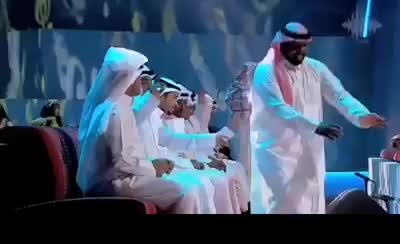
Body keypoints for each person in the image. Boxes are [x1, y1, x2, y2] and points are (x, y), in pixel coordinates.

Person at [251, 22, 386, 214]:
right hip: (276, 152)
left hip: (309, 150)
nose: (301, 51)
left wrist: (361, 115)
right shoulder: (265, 71)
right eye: (295, 46)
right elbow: (277, 108)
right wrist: (315, 126)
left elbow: (339, 95)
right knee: (282, 204)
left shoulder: (315, 68)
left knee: (311, 203)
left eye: (304, 46)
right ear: (282, 45)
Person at [76, 47, 203, 214]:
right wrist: (153, 167)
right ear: (127, 79)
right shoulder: (116, 111)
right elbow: (122, 162)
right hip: (112, 183)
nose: (142, 83)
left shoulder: (115, 107)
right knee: (186, 192)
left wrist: (154, 165)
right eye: (138, 77)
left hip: (118, 177)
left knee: (189, 186)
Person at [136, 77, 236, 213]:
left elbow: (174, 140)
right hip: (149, 171)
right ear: (162, 96)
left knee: (207, 183)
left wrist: (213, 138)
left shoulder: (154, 117)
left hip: (163, 168)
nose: (176, 103)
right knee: (194, 188)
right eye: (174, 98)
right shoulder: (139, 114)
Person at [176, 89, 250, 213]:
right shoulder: (173, 124)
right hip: (186, 166)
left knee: (236, 168)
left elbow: (201, 145)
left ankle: (243, 208)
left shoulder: (193, 123)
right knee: (218, 180)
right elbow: (182, 152)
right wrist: (207, 162)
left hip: (198, 162)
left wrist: (213, 156)